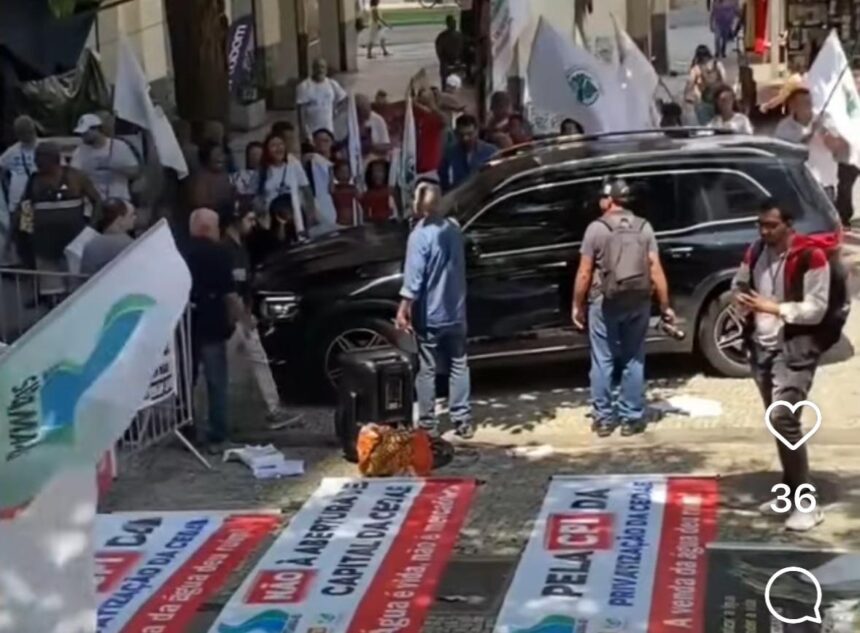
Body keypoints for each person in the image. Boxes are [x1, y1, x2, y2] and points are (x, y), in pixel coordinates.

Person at [732, 199, 845, 531]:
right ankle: (790, 494)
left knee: (785, 421)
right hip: (761, 348)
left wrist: (775, 308)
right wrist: (740, 295)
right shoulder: (756, 250)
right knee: (778, 422)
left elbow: (816, 309)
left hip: (794, 349)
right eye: (761, 225)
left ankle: (807, 505)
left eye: (772, 225)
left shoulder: (812, 257)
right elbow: (740, 281)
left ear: (789, 224)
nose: (765, 231)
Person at [571, 177, 675, 437]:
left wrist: (577, 305)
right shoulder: (644, 227)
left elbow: (584, 272)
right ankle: (632, 417)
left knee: (602, 360)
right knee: (633, 358)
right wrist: (664, 305)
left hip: (604, 302)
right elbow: (656, 269)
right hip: (639, 301)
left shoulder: (596, 229)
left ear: (609, 200)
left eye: (602, 197)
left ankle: (604, 418)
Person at [396, 181, 474, 440]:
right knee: (459, 364)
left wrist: (403, 308)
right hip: (457, 310)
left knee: (428, 367)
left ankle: (428, 423)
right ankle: (462, 419)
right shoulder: (453, 229)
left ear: (417, 204)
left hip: (431, 312)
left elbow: (414, 279)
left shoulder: (419, 235)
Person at [221, 203, 301, 428]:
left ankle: (270, 409)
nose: (254, 224)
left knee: (254, 361)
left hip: (241, 314)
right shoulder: (229, 251)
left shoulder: (240, 248)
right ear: (235, 222)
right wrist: (244, 318)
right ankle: (268, 411)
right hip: (233, 318)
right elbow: (231, 289)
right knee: (243, 364)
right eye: (249, 219)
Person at [183, 207, 245, 452]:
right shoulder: (220, 254)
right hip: (212, 323)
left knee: (186, 380)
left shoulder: (179, 252)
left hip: (185, 324)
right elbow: (230, 294)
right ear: (209, 228)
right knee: (216, 380)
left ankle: (188, 428)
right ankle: (218, 432)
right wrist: (238, 322)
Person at [20, 142, 101, 294]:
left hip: (74, 240)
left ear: (54, 159)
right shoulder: (34, 180)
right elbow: (26, 207)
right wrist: (26, 234)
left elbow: (97, 201)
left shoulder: (76, 176)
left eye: (41, 158)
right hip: (44, 244)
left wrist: (91, 228)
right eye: (36, 158)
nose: (37, 162)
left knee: (78, 287)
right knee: (51, 289)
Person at [774, 88, 848, 202]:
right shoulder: (784, 127)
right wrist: (810, 134)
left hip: (825, 183)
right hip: (798, 185)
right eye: (804, 103)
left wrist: (825, 133)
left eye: (810, 101)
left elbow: (838, 150)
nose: (809, 105)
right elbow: (787, 153)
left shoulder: (826, 120)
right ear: (793, 106)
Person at [70, 113, 141, 202]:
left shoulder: (119, 147)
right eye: (81, 134)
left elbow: (135, 172)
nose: (83, 137)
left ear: (97, 129)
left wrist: (115, 167)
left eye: (86, 133)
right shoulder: (80, 151)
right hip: (93, 201)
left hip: (119, 199)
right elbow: (74, 174)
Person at [257, 132, 317, 236]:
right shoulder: (263, 171)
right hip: (272, 219)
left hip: (295, 215)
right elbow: (258, 196)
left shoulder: (293, 165)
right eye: (273, 145)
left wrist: (311, 215)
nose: (278, 148)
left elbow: (306, 190)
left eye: (280, 144)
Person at [0, 115, 38, 263]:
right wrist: (7, 187)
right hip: (16, 201)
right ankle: (21, 262)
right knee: (19, 235)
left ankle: (31, 263)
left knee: (29, 233)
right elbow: (2, 168)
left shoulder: (41, 148)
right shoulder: (12, 151)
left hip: (32, 200)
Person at [438, 114, 497, 192]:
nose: (465, 139)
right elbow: (443, 183)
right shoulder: (449, 154)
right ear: (456, 133)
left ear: (477, 131)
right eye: (461, 135)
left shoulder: (491, 152)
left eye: (470, 134)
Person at [296, 58, 348, 141]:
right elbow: (301, 111)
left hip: (329, 130)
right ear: (313, 69)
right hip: (311, 132)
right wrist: (303, 131)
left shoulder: (332, 84)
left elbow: (345, 100)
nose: (320, 70)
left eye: (322, 67)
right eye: (317, 67)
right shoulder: (304, 86)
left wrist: (336, 110)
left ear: (326, 70)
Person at [80, 198, 136, 275]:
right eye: (131, 215)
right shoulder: (130, 246)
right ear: (120, 220)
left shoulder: (90, 245)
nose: (135, 218)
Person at [304, 128, 339, 229]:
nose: (322, 144)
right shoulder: (311, 160)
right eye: (318, 141)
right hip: (318, 205)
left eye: (325, 140)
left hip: (334, 206)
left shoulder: (336, 164)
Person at [188, 141, 236, 212]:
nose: (221, 158)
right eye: (216, 154)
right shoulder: (202, 178)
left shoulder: (227, 174)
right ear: (206, 158)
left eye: (221, 154)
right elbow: (200, 203)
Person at [685, 46, 726, 125]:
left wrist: (687, 96)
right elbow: (724, 79)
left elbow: (690, 83)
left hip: (704, 100)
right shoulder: (717, 64)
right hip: (718, 98)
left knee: (705, 124)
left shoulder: (696, 68)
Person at [414, 87, 447, 179]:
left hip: (430, 169)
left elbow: (444, 120)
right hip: (413, 168)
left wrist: (431, 104)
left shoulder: (435, 117)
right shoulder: (417, 117)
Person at [356, 93, 392, 158]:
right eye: (361, 115)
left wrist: (370, 146)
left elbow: (386, 146)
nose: (364, 120)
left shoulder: (378, 119)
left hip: (373, 162)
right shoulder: (349, 121)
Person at [435, 14, 464, 86]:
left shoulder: (441, 36)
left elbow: (439, 51)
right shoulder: (458, 36)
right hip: (452, 65)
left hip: (448, 66)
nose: (454, 24)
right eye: (453, 22)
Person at [331, 160, 361, 226]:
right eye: (341, 172)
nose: (344, 174)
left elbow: (359, 198)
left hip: (353, 222)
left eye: (347, 172)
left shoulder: (353, 188)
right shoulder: (335, 189)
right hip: (339, 222)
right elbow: (331, 191)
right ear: (336, 174)